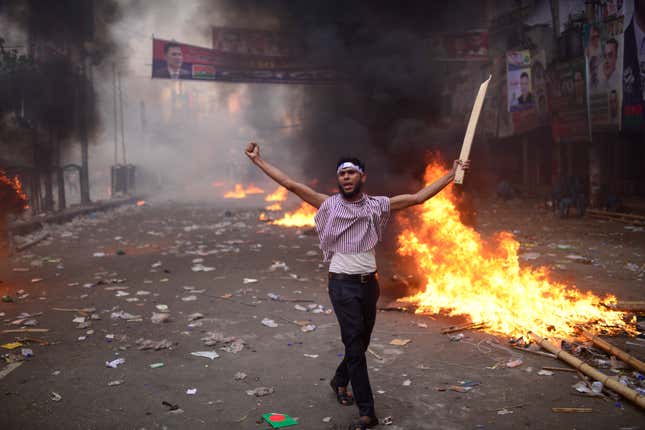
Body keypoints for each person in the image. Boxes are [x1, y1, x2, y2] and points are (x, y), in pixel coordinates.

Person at [245, 142, 469, 430]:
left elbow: (417, 198)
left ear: (362, 177)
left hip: (369, 285)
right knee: (354, 346)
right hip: (342, 286)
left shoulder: (378, 205)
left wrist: (450, 174)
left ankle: (339, 380)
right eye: (342, 174)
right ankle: (367, 412)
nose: (347, 177)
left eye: (352, 173)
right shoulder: (328, 204)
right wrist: (258, 160)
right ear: (338, 180)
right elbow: (290, 183)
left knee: (360, 343)